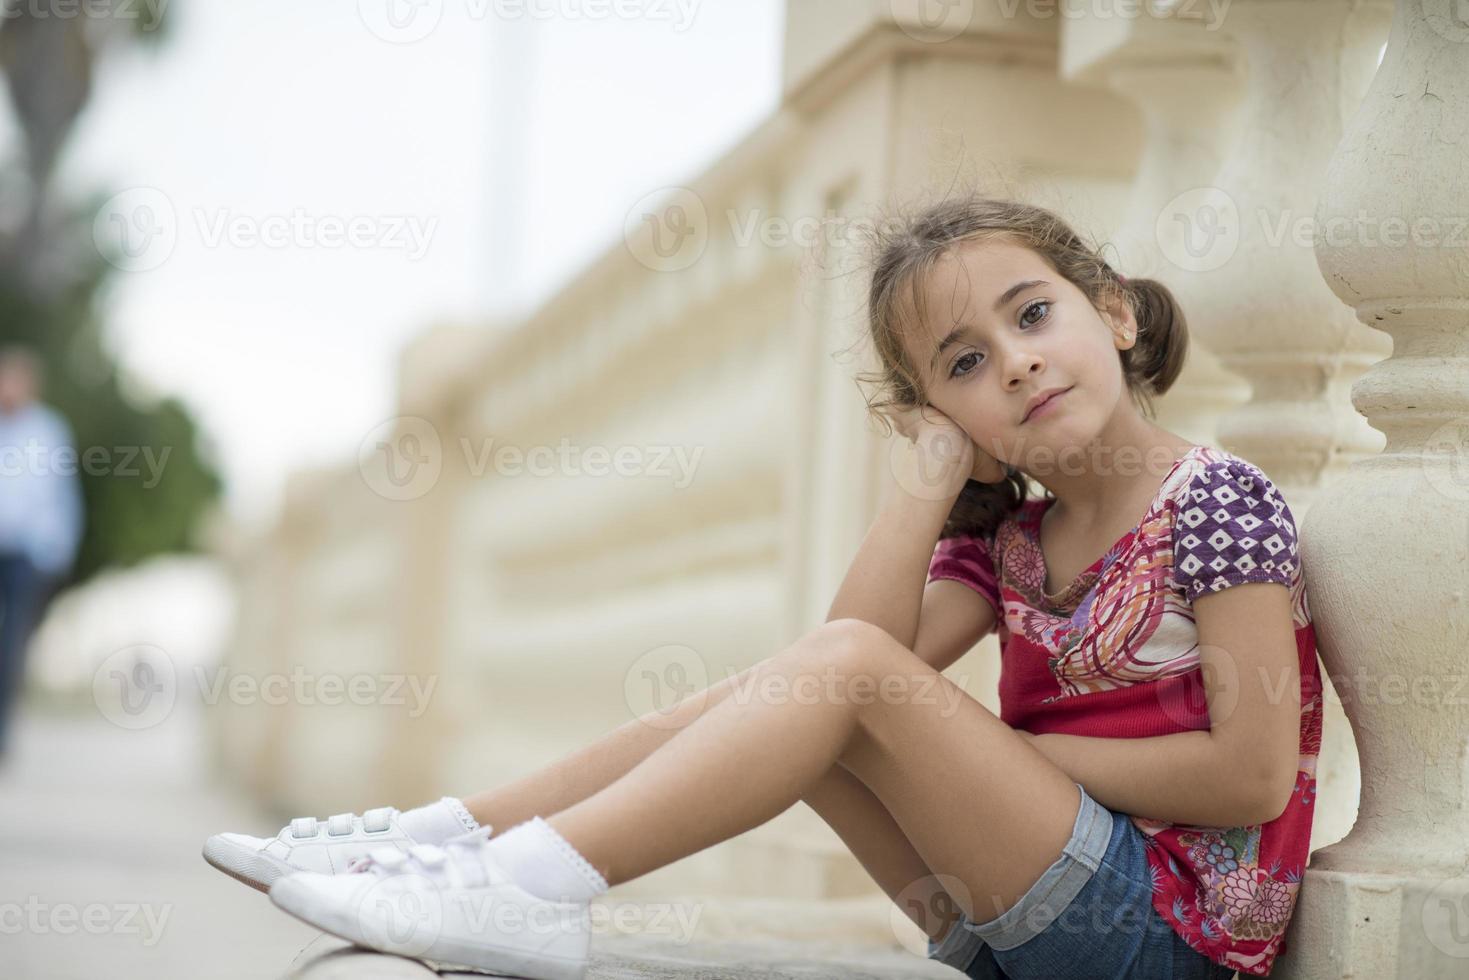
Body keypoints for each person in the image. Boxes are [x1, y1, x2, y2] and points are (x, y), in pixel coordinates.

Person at [203, 198, 1318, 979]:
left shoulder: (1214, 503)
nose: (1013, 359)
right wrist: (927, 482)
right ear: (939, 410)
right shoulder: (1015, 541)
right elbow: (840, 670)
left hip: (1165, 939)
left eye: (1031, 314)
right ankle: (453, 837)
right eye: (962, 362)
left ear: (1113, 313)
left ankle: (527, 882)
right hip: (1004, 919)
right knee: (797, 683)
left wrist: (1003, 755)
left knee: (833, 673)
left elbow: (1252, 772)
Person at [0, 344, 84, 754]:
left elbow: (62, 497)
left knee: (10, 644)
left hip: (25, 555)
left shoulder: (48, 432)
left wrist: (57, 552)